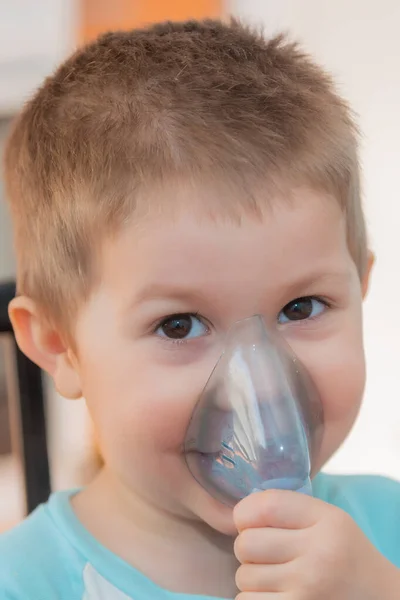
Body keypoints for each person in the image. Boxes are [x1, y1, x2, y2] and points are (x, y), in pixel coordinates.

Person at [0, 18, 399, 600]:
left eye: (302, 306)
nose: (261, 388)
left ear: (360, 287)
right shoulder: (24, 582)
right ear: (61, 346)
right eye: (179, 325)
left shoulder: (386, 530)